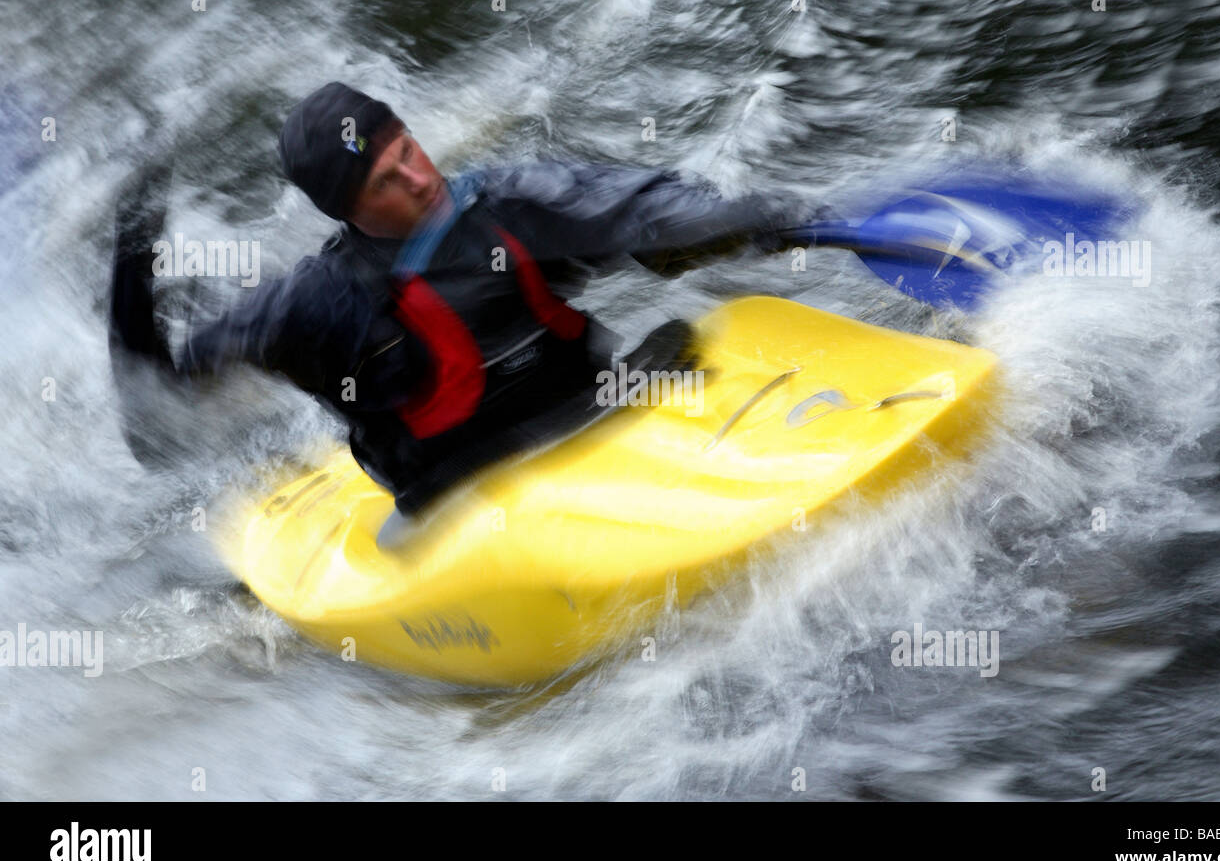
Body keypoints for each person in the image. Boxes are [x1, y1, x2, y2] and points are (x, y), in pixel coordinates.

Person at [113, 82, 821, 529]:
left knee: (681, 333)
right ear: (350, 210)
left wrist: (749, 222)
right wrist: (135, 256)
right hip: (461, 492)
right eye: (387, 179)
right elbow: (158, 409)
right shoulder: (314, 304)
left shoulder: (511, 202)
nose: (420, 178)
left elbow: (645, 209)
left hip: (604, 409)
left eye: (410, 149)